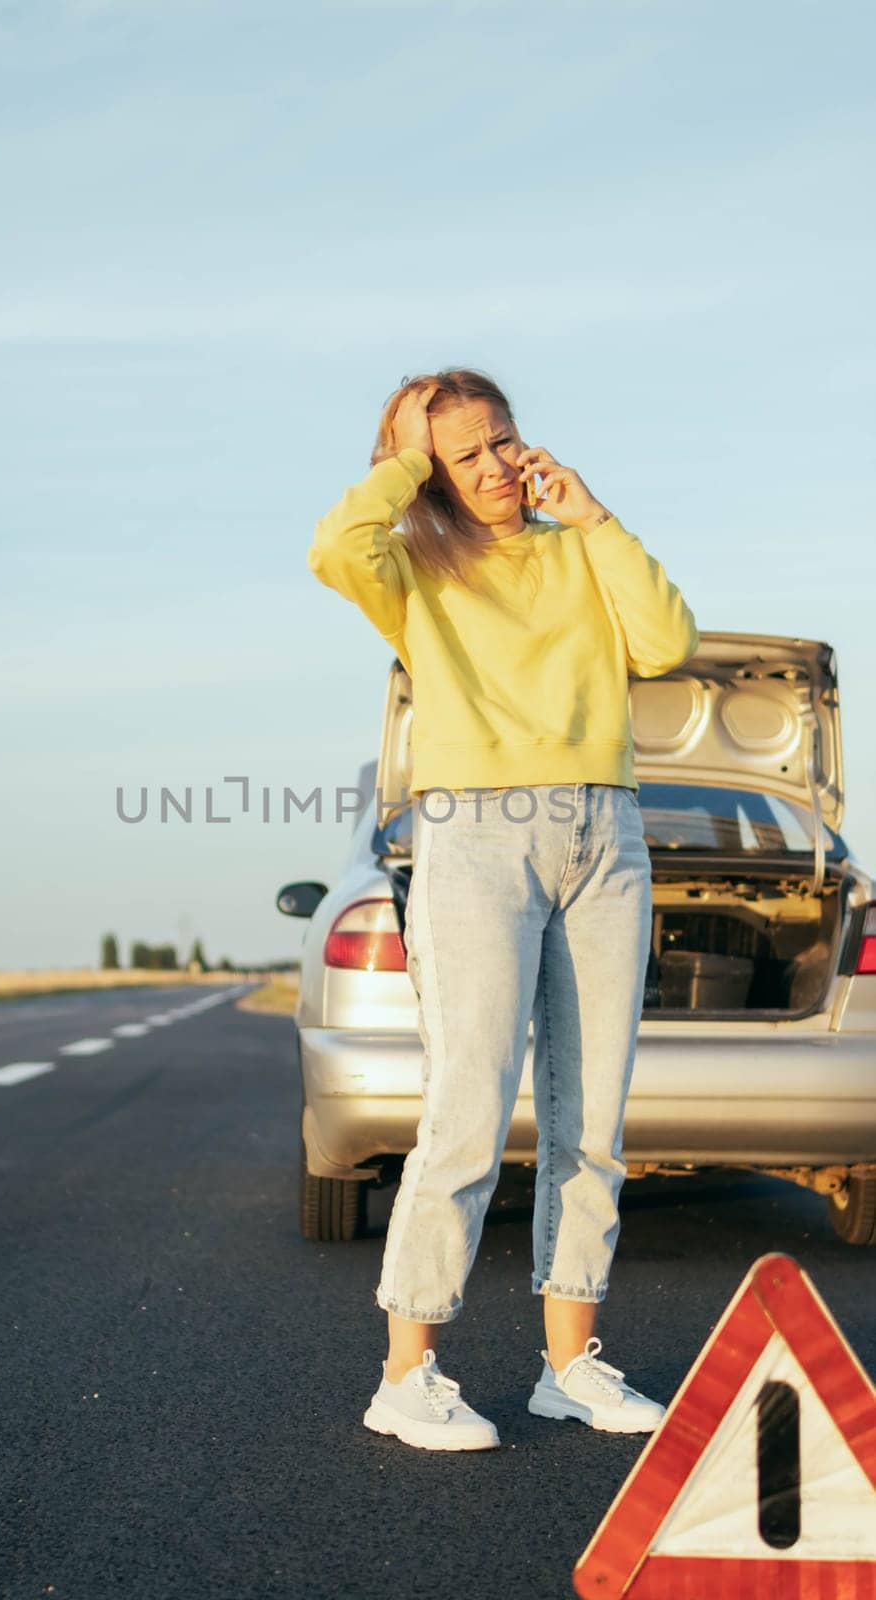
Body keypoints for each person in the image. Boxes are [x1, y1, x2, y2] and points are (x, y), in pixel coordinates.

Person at [306, 368, 700, 1451]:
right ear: (426, 471)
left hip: (604, 833)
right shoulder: (413, 568)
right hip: (476, 836)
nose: (490, 466)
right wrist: (408, 453)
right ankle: (408, 1373)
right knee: (469, 1111)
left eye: (501, 441)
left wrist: (594, 513)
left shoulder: (577, 548)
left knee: (593, 1120)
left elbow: (666, 642)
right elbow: (333, 547)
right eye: (460, 453)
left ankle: (569, 1365)